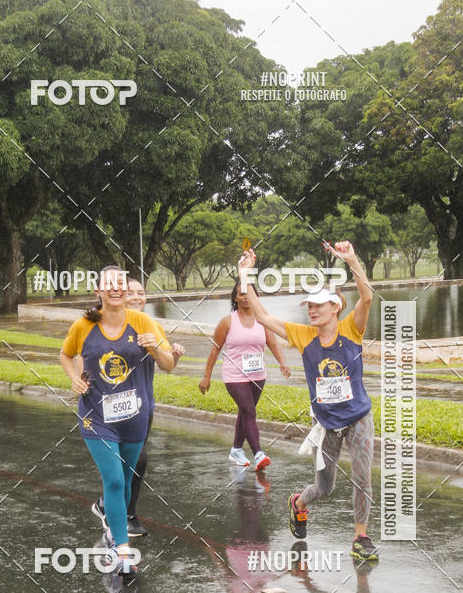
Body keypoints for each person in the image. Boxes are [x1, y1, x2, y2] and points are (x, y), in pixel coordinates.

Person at [240, 241, 379, 562]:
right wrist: (244, 275)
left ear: (335, 307)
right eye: (309, 306)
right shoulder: (303, 335)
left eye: (318, 305)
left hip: (359, 416)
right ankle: (299, 503)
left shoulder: (352, 329)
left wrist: (351, 259)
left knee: (362, 479)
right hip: (326, 423)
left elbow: (367, 296)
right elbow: (262, 316)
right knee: (324, 487)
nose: (311, 310)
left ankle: (360, 538)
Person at [60, 267, 174, 573]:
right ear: (98, 290)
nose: (116, 288)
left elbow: (169, 364)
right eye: (109, 284)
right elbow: (65, 354)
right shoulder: (84, 325)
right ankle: (122, 549)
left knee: (124, 480)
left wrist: (154, 346)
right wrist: (74, 378)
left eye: (120, 283)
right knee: (112, 479)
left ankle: (114, 530)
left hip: (134, 417)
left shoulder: (142, 321)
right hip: (96, 417)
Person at [91, 277, 185, 537]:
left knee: (134, 461)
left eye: (140, 293)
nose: (135, 297)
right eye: (129, 292)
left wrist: (170, 354)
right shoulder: (101, 326)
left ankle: (107, 504)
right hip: (107, 408)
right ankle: (126, 516)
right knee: (135, 460)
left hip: (142, 405)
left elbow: (167, 365)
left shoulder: (149, 325)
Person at [199, 279, 290, 469]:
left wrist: (282, 363)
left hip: (258, 375)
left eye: (249, 294)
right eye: (241, 294)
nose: (246, 297)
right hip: (234, 376)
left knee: (245, 412)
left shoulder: (262, 320)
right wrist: (206, 376)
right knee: (249, 411)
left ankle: (236, 450)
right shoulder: (227, 321)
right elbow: (215, 350)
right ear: (235, 298)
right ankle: (258, 453)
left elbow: (272, 343)